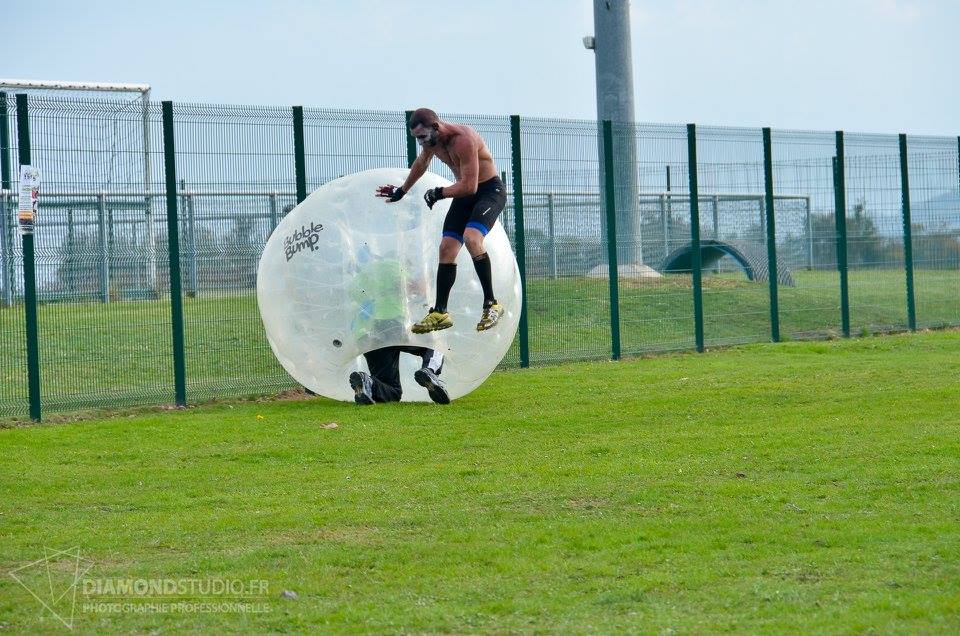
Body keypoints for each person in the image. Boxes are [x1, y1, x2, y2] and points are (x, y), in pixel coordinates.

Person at [375, 107, 506, 334]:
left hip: (488, 192)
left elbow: (470, 186)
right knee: (446, 248)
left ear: (436, 127)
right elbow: (422, 163)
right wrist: (401, 191)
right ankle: (440, 312)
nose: (421, 143)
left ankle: (492, 304)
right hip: (464, 196)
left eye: (423, 137)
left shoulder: (463, 140)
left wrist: (439, 193)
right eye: (416, 138)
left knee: (471, 238)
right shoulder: (431, 143)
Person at [349, 347, 448, 405]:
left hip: (368, 336)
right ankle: (429, 370)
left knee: (393, 392)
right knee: (435, 346)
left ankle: (368, 382)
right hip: (397, 325)